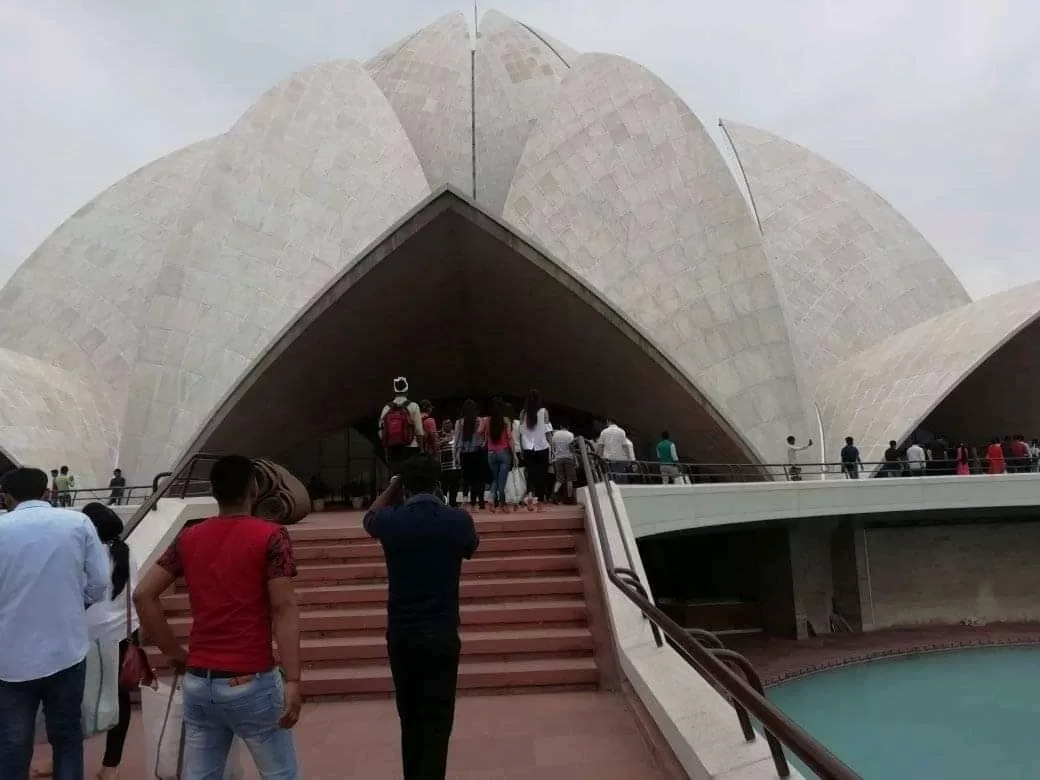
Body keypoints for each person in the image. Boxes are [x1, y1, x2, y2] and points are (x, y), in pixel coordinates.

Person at [134, 455, 302, 779]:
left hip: (199, 679)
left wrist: (174, 653)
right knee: (281, 773)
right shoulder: (271, 536)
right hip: (251, 678)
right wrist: (293, 678)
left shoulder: (189, 537)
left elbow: (144, 594)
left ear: (214, 491)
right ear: (254, 488)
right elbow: (283, 607)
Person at [363, 455, 479, 780]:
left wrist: (391, 488)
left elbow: (369, 517)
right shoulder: (457, 521)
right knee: (438, 721)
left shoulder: (391, 521)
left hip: (402, 633)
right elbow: (471, 547)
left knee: (410, 718)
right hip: (441, 632)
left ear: (405, 485)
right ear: (439, 483)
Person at [0, 467, 110, 780]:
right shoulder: (78, 523)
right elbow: (100, 582)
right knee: (67, 737)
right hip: (67, 651)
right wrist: (77, 605)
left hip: (9, 660)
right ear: (48, 492)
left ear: (6, 496)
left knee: (11, 743)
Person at [84, 502, 139, 779]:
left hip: (87, 638)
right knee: (120, 699)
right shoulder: (128, 553)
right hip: (122, 635)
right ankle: (111, 765)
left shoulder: (84, 554)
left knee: (72, 699)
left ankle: (64, 756)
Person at [379, 377, 425, 479]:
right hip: (411, 448)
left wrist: (386, 449)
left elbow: (381, 431)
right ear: (407, 391)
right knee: (411, 478)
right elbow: (419, 430)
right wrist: (421, 450)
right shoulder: (413, 406)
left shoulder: (386, 408)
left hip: (393, 449)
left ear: (394, 391)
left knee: (396, 478)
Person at [517, 389, 552, 511]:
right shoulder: (543, 412)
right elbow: (548, 432)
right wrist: (551, 447)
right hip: (542, 447)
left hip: (528, 448)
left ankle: (530, 500)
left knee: (530, 475)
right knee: (541, 475)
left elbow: (521, 433)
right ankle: (540, 504)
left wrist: (521, 449)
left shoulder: (523, 413)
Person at [481, 398, 513, 513]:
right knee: (502, 481)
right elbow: (509, 438)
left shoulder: (487, 421)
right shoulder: (505, 420)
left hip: (491, 453)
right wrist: (514, 454)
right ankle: (502, 504)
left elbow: (483, 436)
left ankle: (491, 500)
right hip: (503, 452)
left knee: (495, 479)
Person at [453, 400, 486, 511]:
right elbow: (482, 439)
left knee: (466, 478)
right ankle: (476, 502)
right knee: (477, 478)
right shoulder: (479, 421)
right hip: (477, 453)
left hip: (464, 453)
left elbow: (456, 440)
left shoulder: (459, 422)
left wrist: (455, 455)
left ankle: (465, 500)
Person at [596, 419, 632, 483]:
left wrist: (599, 457)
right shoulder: (621, 431)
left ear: (608, 422)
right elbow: (625, 446)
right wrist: (629, 457)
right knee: (622, 476)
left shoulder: (604, 432)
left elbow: (601, 446)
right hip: (620, 458)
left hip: (608, 459)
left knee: (611, 477)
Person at [550, 420, 577, 504]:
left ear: (561, 426)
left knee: (559, 479)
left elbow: (553, 446)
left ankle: (554, 495)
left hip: (558, 458)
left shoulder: (555, 435)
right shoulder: (570, 435)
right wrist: (575, 459)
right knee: (570, 479)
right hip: (568, 457)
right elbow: (571, 447)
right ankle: (569, 498)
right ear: (568, 427)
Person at [438, 419, 460, 508]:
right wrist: (445, 440)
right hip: (443, 466)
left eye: (450, 424)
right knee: (444, 486)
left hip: (455, 465)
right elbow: (436, 445)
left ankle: (453, 502)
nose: (448, 426)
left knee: (454, 486)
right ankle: (444, 503)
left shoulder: (456, 434)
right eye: (446, 424)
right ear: (443, 425)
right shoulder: (439, 434)